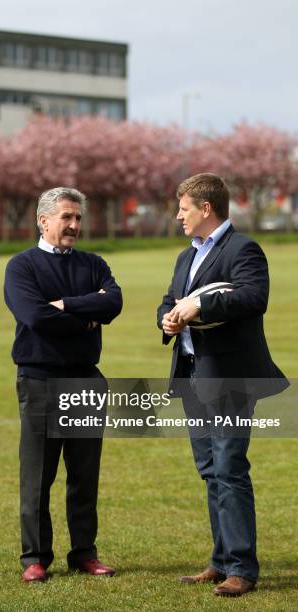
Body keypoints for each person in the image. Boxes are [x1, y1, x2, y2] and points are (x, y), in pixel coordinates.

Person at [157, 173, 288, 597]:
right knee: (210, 470)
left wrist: (200, 304)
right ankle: (219, 561)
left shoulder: (243, 248)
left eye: (184, 208)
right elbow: (170, 298)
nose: (178, 216)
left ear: (206, 208)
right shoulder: (185, 256)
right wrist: (167, 317)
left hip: (230, 378)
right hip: (192, 374)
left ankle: (242, 569)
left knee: (230, 469)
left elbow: (253, 298)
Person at [4, 187, 122, 582]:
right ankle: (35, 558)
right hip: (40, 379)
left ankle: (84, 553)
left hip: (86, 379)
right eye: (66, 217)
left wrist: (67, 305)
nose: (74, 225)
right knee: (38, 475)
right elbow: (35, 317)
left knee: (85, 475)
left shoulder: (93, 263)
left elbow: (114, 303)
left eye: (78, 218)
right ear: (43, 220)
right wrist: (88, 313)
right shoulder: (22, 267)